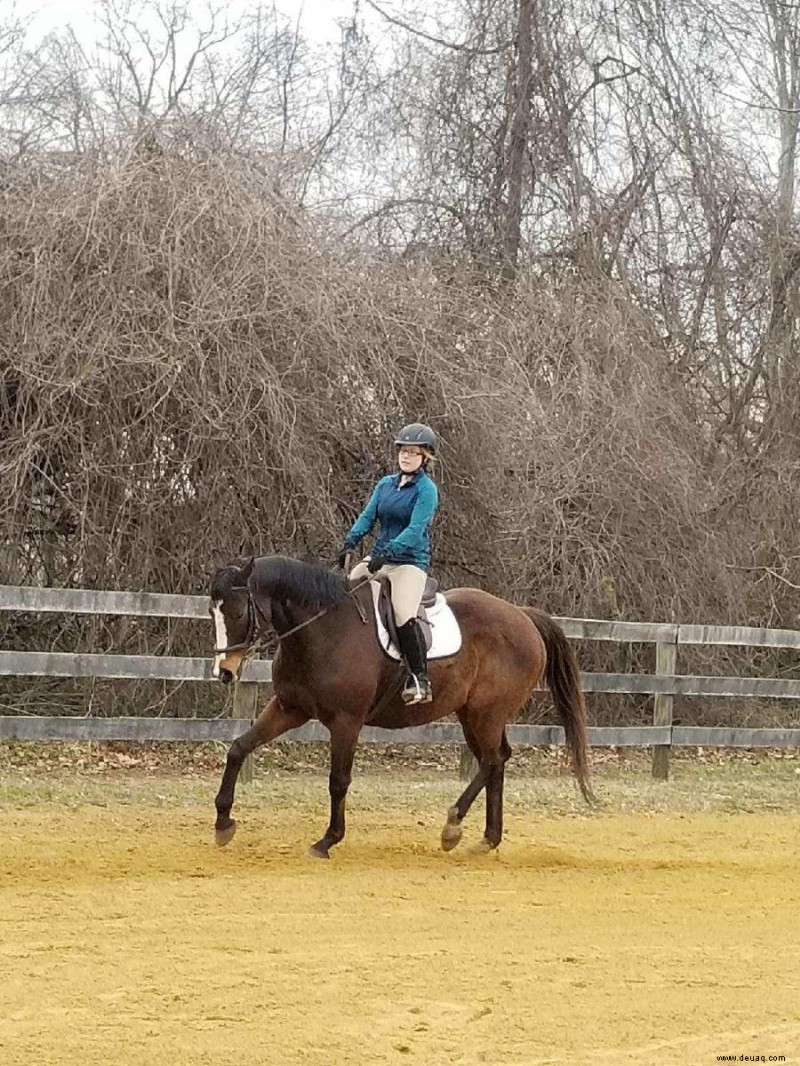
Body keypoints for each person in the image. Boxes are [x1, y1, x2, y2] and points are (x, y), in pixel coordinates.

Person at [338, 423, 439, 704]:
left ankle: (419, 678)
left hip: (409, 563)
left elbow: (415, 529)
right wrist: (350, 541)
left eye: (412, 453)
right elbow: (367, 517)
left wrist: (389, 551)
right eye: (403, 451)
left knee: (402, 613)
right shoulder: (385, 485)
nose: (405, 457)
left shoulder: (426, 491)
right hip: (380, 558)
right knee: (346, 593)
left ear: (425, 458)